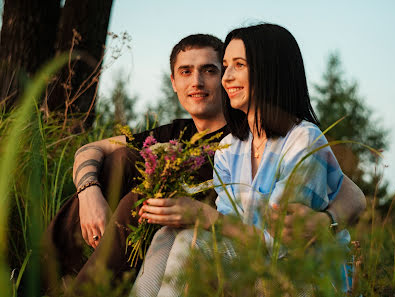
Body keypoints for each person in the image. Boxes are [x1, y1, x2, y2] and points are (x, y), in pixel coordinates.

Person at [43, 32, 364, 295]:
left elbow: (348, 193)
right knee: (124, 168)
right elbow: (91, 149)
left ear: (267, 71)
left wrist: (328, 220)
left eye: (213, 69)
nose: (205, 80)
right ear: (173, 81)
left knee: (164, 219)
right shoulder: (211, 141)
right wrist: (89, 193)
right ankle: (38, 279)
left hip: (281, 261)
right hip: (223, 236)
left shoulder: (295, 138)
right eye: (186, 71)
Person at [132, 24, 362, 297]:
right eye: (226, 66)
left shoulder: (303, 140)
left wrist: (204, 217)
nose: (226, 77)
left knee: (195, 241)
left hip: (301, 277)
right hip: (251, 264)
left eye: (239, 65)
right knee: (168, 234)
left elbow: (281, 246)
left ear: (271, 70)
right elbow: (231, 231)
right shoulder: (231, 147)